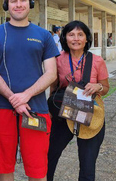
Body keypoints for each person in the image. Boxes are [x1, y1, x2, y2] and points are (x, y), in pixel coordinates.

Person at [0, 0, 59, 181]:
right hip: (2, 108)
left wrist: (25, 96)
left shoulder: (44, 35)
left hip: (35, 109)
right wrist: (13, 98)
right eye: (13, 1)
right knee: (3, 167)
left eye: (23, 0)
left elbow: (51, 74)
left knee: (37, 167)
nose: (18, 5)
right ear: (7, 5)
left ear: (30, 4)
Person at [47, 20, 109, 181]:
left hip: (90, 115)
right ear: (65, 38)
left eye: (80, 34)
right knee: (49, 157)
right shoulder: (58, 59)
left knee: (88, 166)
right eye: (71, 34)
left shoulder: (97, 61)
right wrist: (50, 112)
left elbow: (106, 87)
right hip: (63, 113)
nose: (76, 38)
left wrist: (98, 87)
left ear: (87, 38)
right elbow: (53, 87)